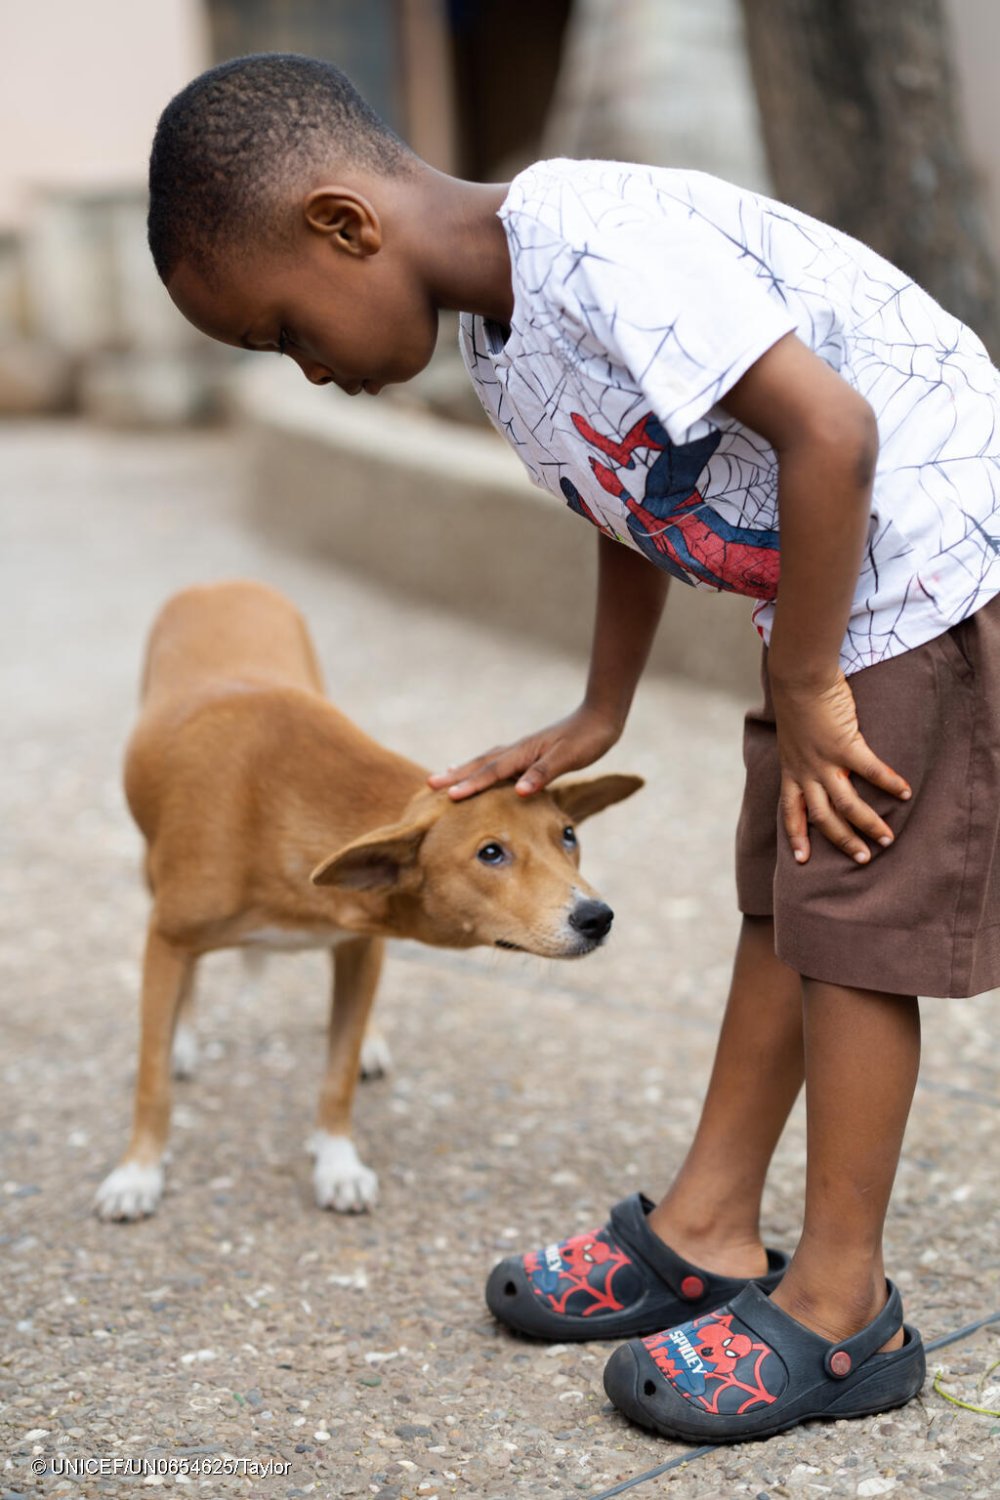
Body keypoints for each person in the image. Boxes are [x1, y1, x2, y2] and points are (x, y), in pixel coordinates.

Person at [147, 53, 1000, 1444]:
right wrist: (602, 707)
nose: (310, 368)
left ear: (345, 226)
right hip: (837, 594)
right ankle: (708, 1229)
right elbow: (637, 499)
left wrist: (806, 674)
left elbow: (832, 430)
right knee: (784, 903)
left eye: (288, 330)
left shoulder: (602, 247)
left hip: (926, 556)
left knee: (853, 922)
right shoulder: (501, 339)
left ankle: (848, 1307)